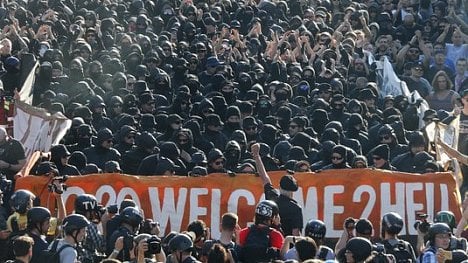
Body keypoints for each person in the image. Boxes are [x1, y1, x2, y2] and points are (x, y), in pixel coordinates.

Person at [252, 143, 303, 236]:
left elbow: (264, 177)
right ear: (293, 191)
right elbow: (295, 233)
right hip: (285, 244)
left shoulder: (272, 198)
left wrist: (256, 156)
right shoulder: (296, 208)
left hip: (268, 239)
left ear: (279, 187)